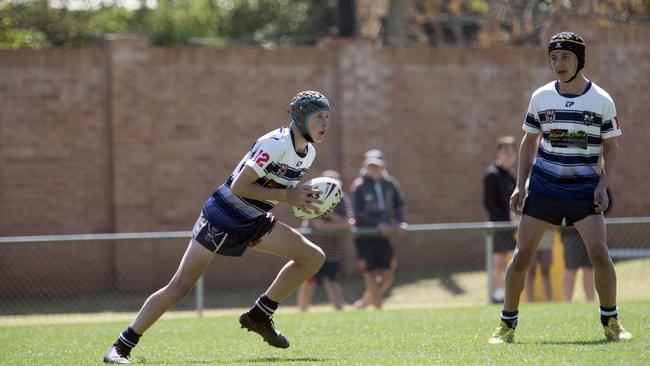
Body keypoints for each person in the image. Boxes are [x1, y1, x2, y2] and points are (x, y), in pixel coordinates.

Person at [103, 90, 332, 363]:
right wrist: (288, 196)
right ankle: (120, 347)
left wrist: (301, 199)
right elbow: (240, 186)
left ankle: (259, 315)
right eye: (319, 117)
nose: (325, 123)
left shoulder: (308, 154)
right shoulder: (274, 143)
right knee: (180, 286)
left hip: (254, 220)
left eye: (327, 117)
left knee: (312, 257)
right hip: (223, 216)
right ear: (302, 117)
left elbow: (277, 188)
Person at [489, 31, 631, 344]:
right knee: (522, 254)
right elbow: (529, 142)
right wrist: (519, 186)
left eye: (565, 56)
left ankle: (611, 322)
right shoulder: (541, 97)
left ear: (580, 59)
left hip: (583, 190)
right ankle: (506, 326)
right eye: (553, 58)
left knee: (599, 253)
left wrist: (603, 185)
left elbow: (612, 147)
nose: (559, 63)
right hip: (544, 187)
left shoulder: (602, 100)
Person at [350, 149, 408, 310]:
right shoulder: (359, 186)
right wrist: (377, 225)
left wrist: (401, 222)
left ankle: (363, 304)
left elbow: (400, 205)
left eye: (377, 165)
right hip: (365, 236)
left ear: (384, 165)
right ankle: (379, 308)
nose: (373, 169)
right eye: (370, 165)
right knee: (370, 274)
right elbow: (358, 214)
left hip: (384, 236)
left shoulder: (390, 184)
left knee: (387, 275)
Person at [297, 170, 352, 311]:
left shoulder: (343, 198)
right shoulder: (313, 197)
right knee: (309, 280)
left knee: (332, 281)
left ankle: (339, 312)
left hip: (332, 249)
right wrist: (337, 224)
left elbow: (349, 222)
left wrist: (329, 213)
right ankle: (302, 312)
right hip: (312, 248)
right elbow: (318, 225)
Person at [483, 136, 518, 303]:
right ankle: (495, 294)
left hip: (511, 227)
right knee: (498, 262)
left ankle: (503, 293)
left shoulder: (511, 177)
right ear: (497, 153)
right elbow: (489, 204)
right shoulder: (492, 175)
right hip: (499, 226)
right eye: (505, 151)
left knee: (509, 261)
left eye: (512, 151)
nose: (509, 155)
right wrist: (506, 219)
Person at [562, 188, 612, 302]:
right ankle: (567, 301)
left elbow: (608, 201)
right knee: (570, 268)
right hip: (570, 233)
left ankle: (590, 301)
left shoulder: (593, 178)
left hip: (590, 232)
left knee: (589, 268)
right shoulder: (564, 177)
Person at [525, 229, 554, 302]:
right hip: (530, 242)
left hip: (547, 242)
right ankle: (529, 301)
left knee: (546, 272)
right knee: (530, 272)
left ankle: (549, 300)